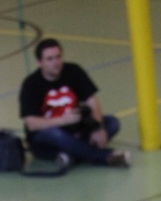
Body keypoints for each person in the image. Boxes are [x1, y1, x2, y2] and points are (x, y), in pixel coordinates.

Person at [19, 38, 130, 170]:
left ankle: (71, 154)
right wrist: (63, 120)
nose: (55, 63)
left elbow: (92, 102)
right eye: (49, 59)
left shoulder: (73, 71)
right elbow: (31, 124)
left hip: (75, 130)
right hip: (46, 138)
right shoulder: (31, 84)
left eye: (58, 57)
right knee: (54, 133)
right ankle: (105, 157)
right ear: (39, 62)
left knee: (112, 122)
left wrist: (97, 127)